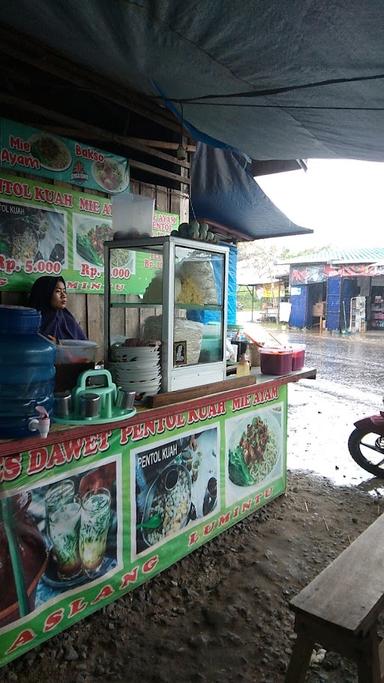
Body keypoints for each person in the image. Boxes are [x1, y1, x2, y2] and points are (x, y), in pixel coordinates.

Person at [28, 275, 87, 341]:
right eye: (58, 291)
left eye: (64, 291)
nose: (64, 295)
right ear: (46, 294)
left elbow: (83, 346)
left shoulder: (67, 319)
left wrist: (60, 345)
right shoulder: (30, 321)